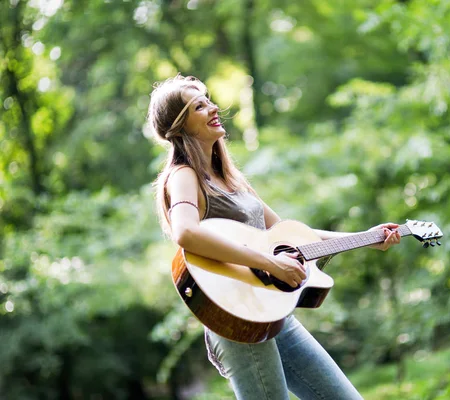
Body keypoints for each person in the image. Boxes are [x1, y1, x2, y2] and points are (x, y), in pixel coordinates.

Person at [148, 74, 401, 400]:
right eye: (199, 105)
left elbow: (293, 236)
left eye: (208, 99)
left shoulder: (230, 179)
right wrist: (270, 263)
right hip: (237, 323)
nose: (213, 108)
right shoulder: (183, 176)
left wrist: (366, 237)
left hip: (273, 315)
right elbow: (185, 232)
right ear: (181, 126)